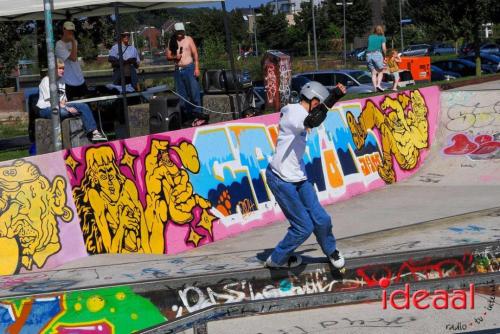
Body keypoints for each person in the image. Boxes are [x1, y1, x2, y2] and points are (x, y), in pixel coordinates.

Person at [264, 81, 346, 269]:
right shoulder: (293, 111)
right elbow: (312, 121)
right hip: (281, 178)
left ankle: (331, 250)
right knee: (303, 227)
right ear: (314, 101)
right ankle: (276, 260)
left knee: (321, 219)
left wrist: (332, 99)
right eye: (319, 104)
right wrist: (334, 97)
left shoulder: (303, 111)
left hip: (298, 176)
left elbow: (313, 118)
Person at [36, 58, 105, 142]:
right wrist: (67, 108)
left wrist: (66, 106)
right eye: (60, 68)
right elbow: (52, 101)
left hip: (60, 106)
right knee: (63, 112)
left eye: (63, 68)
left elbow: (63, 100)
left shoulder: (62, 81)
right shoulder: (46, 81)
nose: (62, 70)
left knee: (83, 106)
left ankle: (94, 132)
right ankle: (77, 118)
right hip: (46, 108)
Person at [166, 22, 207, 127]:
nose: (180, 34)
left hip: (189, 68)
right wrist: (175, 57)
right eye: (178, 32)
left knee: (194, 94)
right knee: (182, 97)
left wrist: (197, 67)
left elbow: (195, 54)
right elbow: (168, 56)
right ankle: (188, 117)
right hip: (178, 70)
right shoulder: (171, 41)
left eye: (181, 31)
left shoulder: (188, 39)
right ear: (175, 32)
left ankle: (198, 116)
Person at [55, 21, 87, 100]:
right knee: (69, 106)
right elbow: (73, 58)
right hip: (67, 81)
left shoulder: (75, 42)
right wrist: (73, 41)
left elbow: (74, 58)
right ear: (63, 30)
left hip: (79, 79)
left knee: (85, 103)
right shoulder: (59, 45)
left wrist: (73, 42)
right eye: (69, 30)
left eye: (72, 30)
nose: (71, 32)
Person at [366, 25, 387, 92]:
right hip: (377, 53)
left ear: (374, 30)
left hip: (368, 54)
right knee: (381, 71)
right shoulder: (382, 37)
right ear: (381, 30)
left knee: (373, 72)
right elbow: (384, 48)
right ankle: (378, 85)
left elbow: (369, 45)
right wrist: (385, 56)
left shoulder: (370, 37)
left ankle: (375, 88)